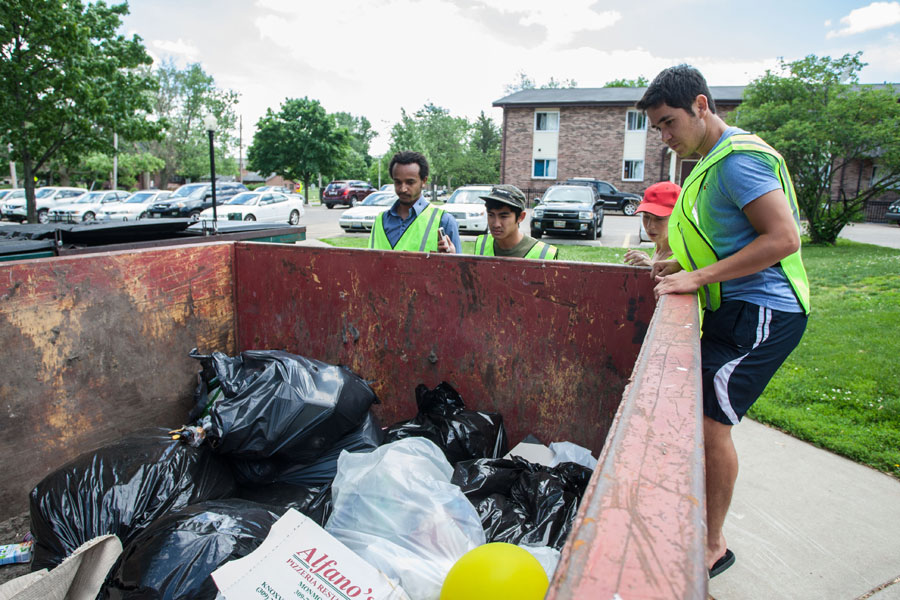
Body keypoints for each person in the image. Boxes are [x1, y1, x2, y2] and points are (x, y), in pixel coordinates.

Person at [636, 65, 810, 578]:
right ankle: (699, 525)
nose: (666, 138)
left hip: (765, 310)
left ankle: (712, 544)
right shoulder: (709, 161)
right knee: (702, 416)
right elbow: (730, 236)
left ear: (701, 105)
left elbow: (782, 239)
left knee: (712, 422)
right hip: (736, 306)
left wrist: (699, 276)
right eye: (658, 130)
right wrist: (686, 265)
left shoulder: (737, 161)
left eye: (669, 123)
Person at [368, 151, 461, 253]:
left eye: (410, 182)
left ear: (424, 181)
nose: (403, 189)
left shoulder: (443, 221)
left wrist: (452, 258)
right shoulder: (380, 221)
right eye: (398, 182)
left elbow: (459, 268)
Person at [473, 185, 558, 259]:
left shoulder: (544, 254)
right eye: (491, 215)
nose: (496, 224)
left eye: (503, 217)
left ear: (521, 217)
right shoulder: (482, 244)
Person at [623, 181, 680, 267]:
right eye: (646, 216)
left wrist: (651, 268)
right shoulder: (659, 248)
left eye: (659, 219)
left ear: (677, 218)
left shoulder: (682, 258)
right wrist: (648, 261)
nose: (650, 226)